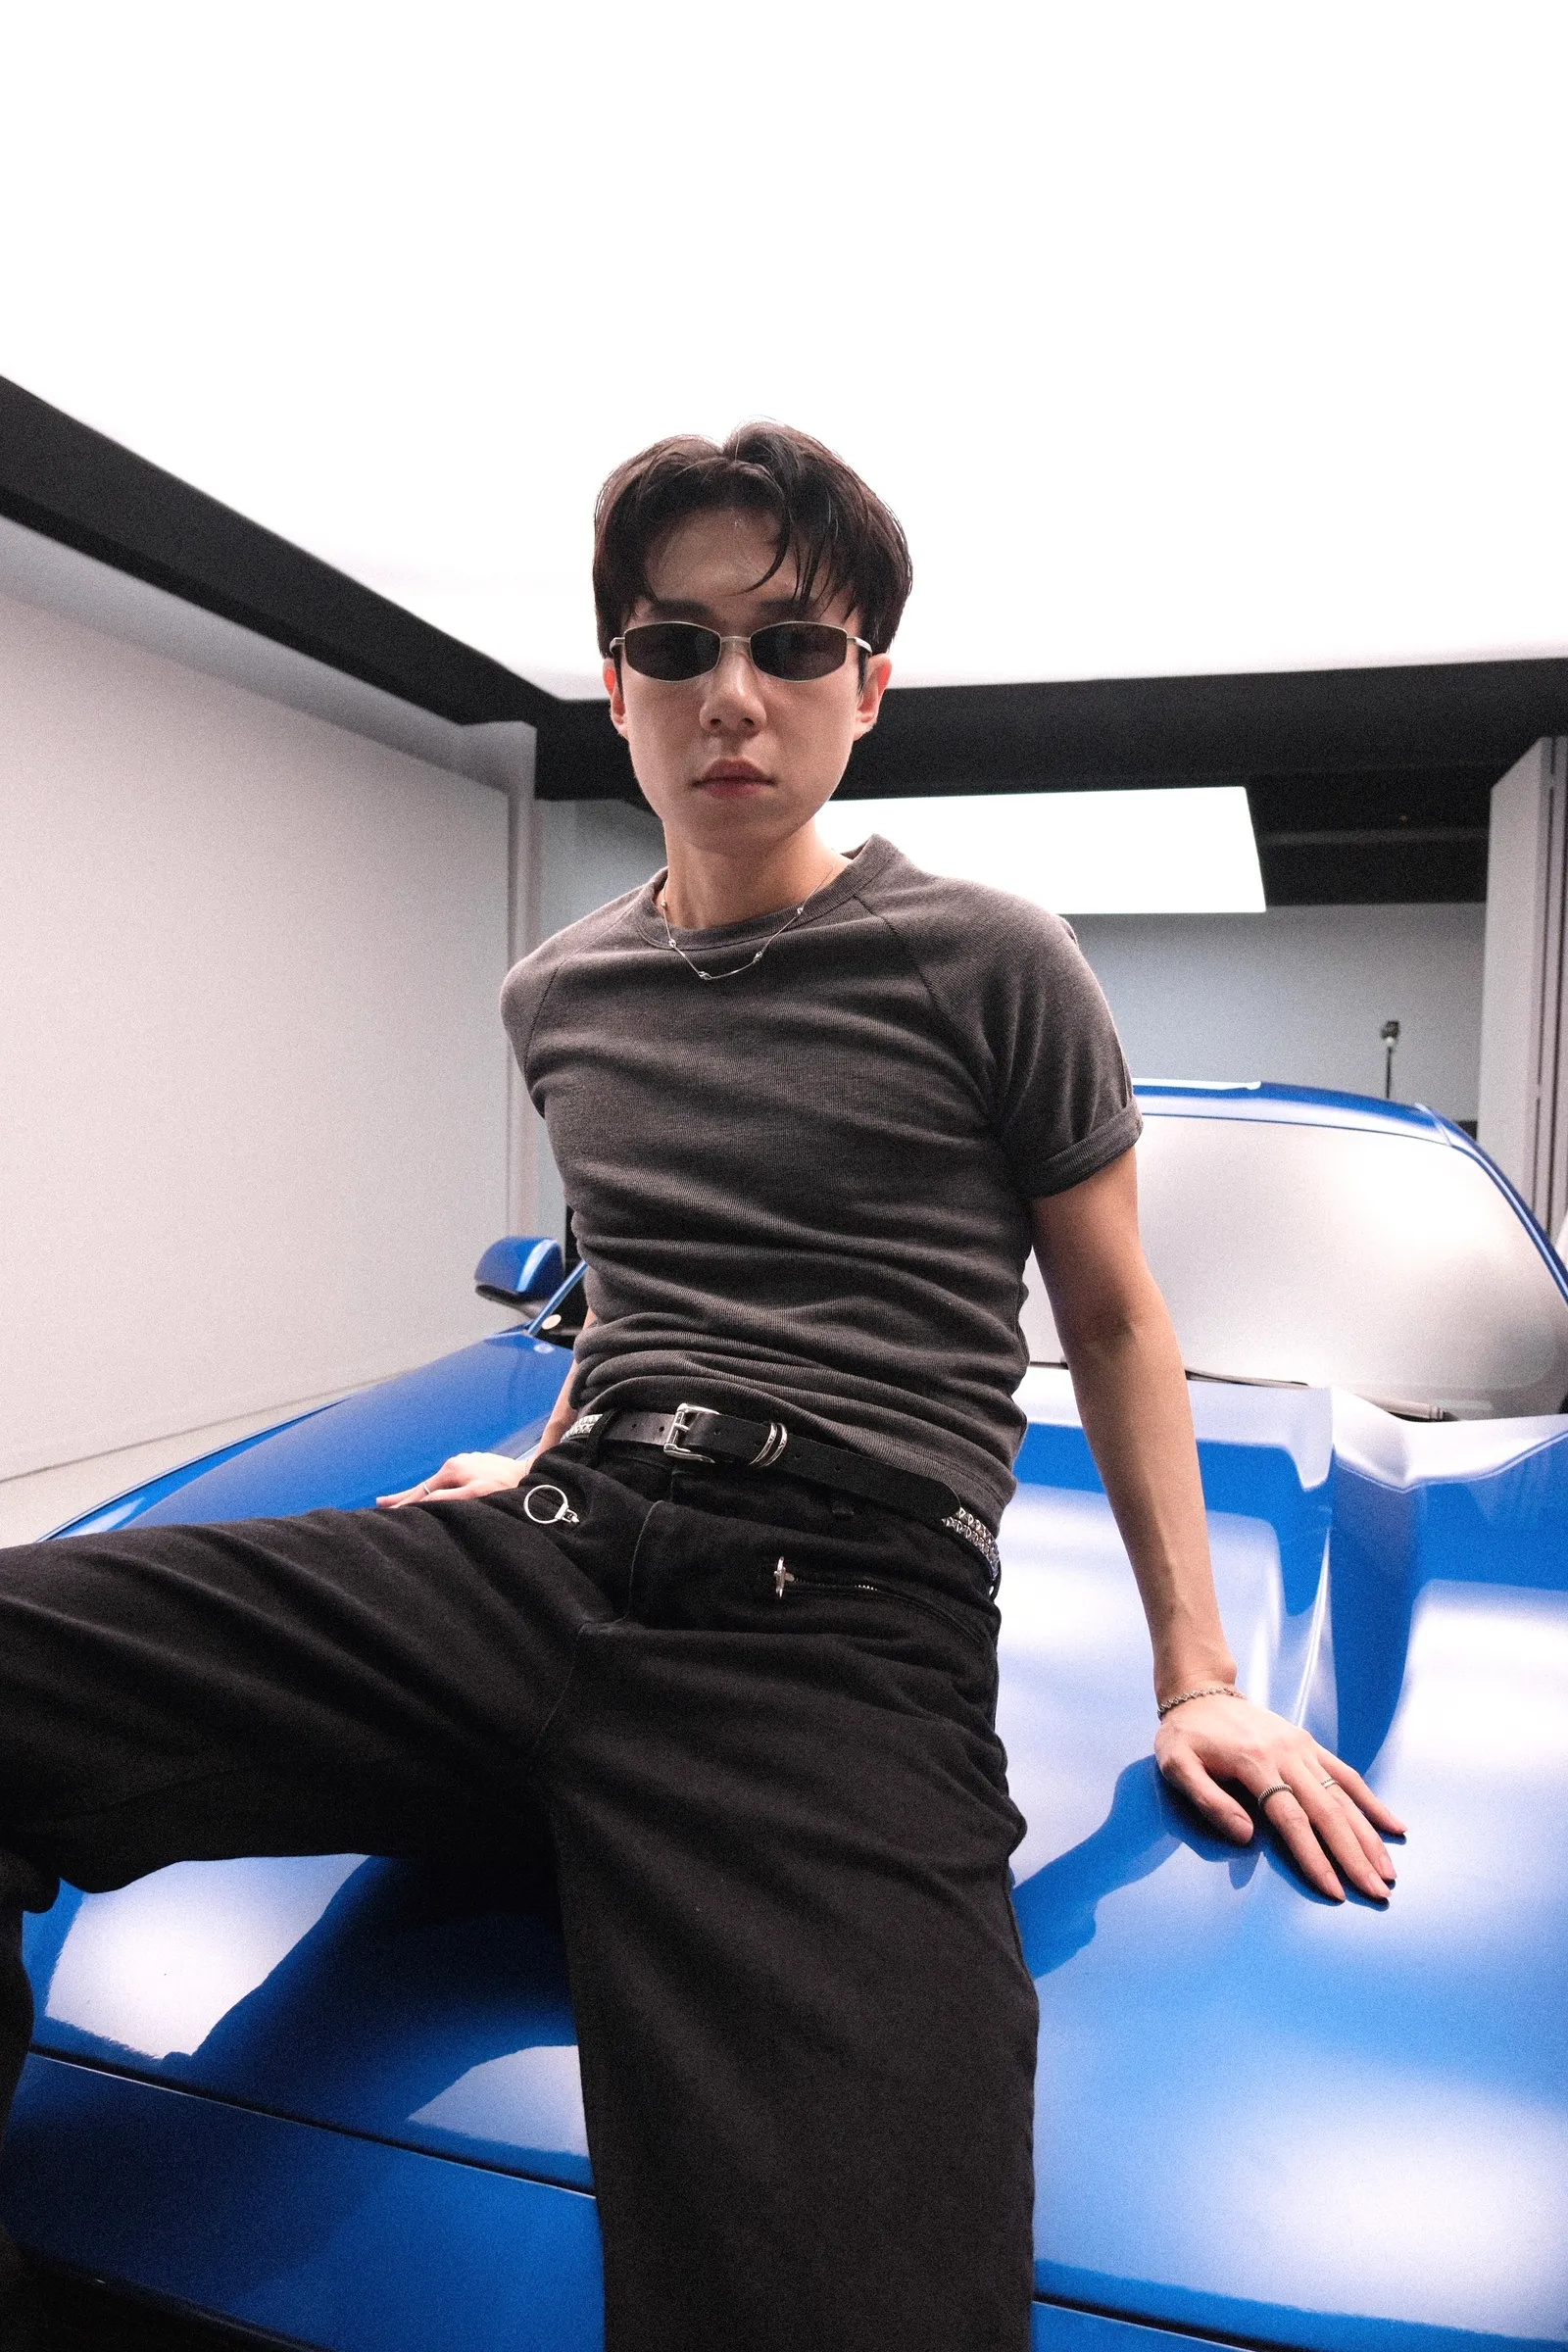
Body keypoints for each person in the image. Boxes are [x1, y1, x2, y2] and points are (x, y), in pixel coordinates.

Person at [0, 424, 1402, 2352]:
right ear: (617, 686)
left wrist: (1200, 1679)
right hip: (552, 1554)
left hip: (842, 1630)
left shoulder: (991, 963)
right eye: (676, 645)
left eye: (791, 643)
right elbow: (638, 1292)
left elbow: (1112, 1324)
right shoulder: (558, 996)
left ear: (865, 686)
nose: (731, 693)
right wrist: (542, 1448)